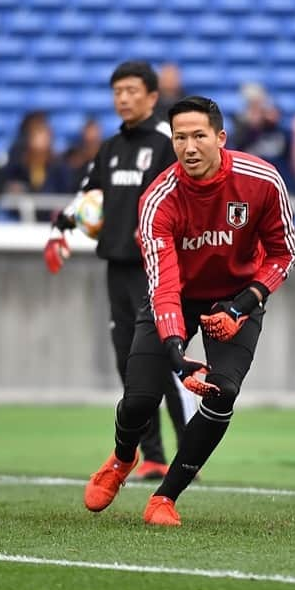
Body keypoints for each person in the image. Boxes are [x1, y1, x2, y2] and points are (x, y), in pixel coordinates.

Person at [83, 95, 295, 526]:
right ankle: (123, 458)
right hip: (178, 295)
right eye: (180, 137)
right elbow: (163, 286)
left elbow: (283, 253)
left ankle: (165, 497)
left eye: (199, 136)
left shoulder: (263, 181)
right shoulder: (158, 199)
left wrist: (242, 305)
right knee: (139, 399)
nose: (189, 146)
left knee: (225, 393)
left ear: (221, 137)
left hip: (238, 296)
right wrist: (178, 357)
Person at [44, 61, 190, 480]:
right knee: (129, 364)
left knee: (163, 359)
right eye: (117, 91)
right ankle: (154, 456)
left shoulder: (168, 142)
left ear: (151, 95)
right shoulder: (109, 148)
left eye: (130, 90)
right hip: (117, 268)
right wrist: (60, 230)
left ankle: (187, 452)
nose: (123, 98)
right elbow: (88, 196)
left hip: (157, 268)